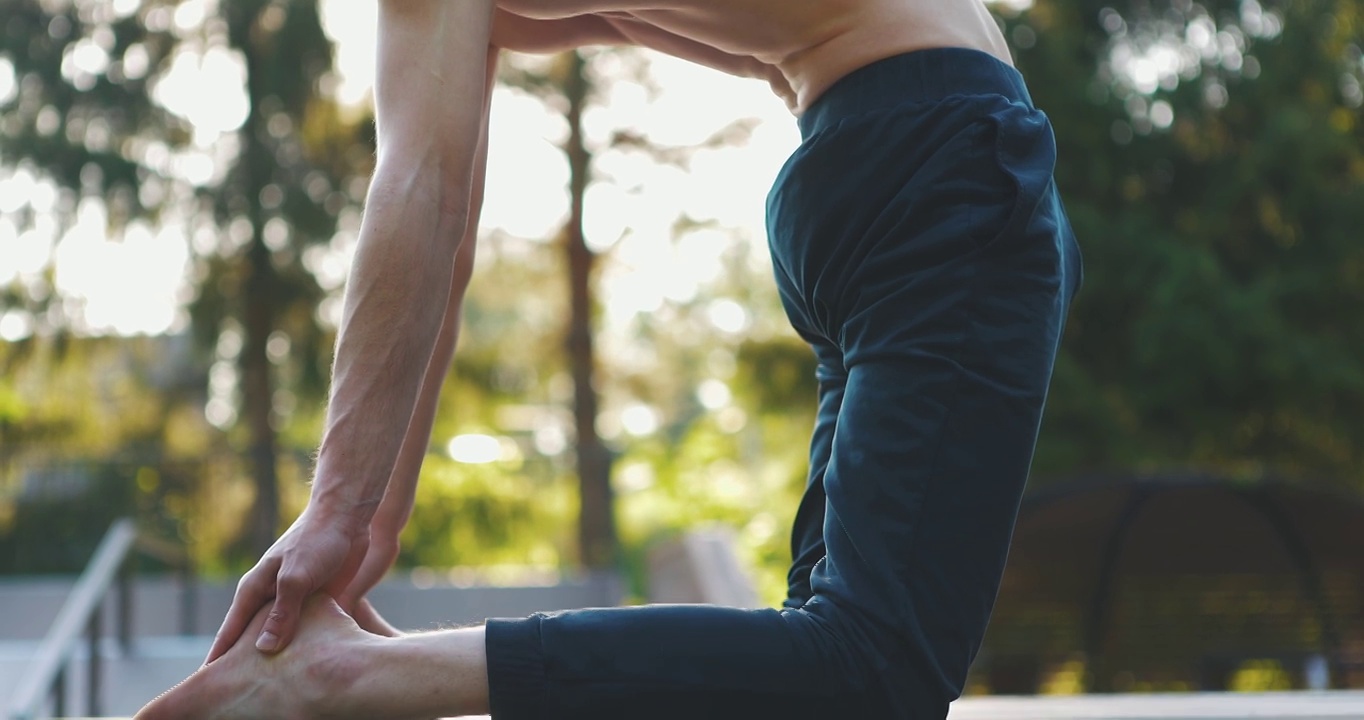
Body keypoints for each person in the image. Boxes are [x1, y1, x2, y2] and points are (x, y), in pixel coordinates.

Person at [137, 0, 1082, 717]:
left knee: (831, 671)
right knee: (873, 662)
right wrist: (353, 516)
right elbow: (433, 204)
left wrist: (361, 524)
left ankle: (357, 674)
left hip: (858, 170)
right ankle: (355, 677)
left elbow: (438, 209)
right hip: (928, 147)